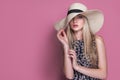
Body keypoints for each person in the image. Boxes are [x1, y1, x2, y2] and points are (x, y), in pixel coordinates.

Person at [54, 3, 107, 80]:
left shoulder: (97, 40)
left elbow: (103, 74)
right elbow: (69, 76)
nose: (75, 21)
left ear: (85, 20)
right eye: (72, 18)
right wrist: (65, 46)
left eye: (79, 17)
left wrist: (77, 67)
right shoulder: (67, 42)